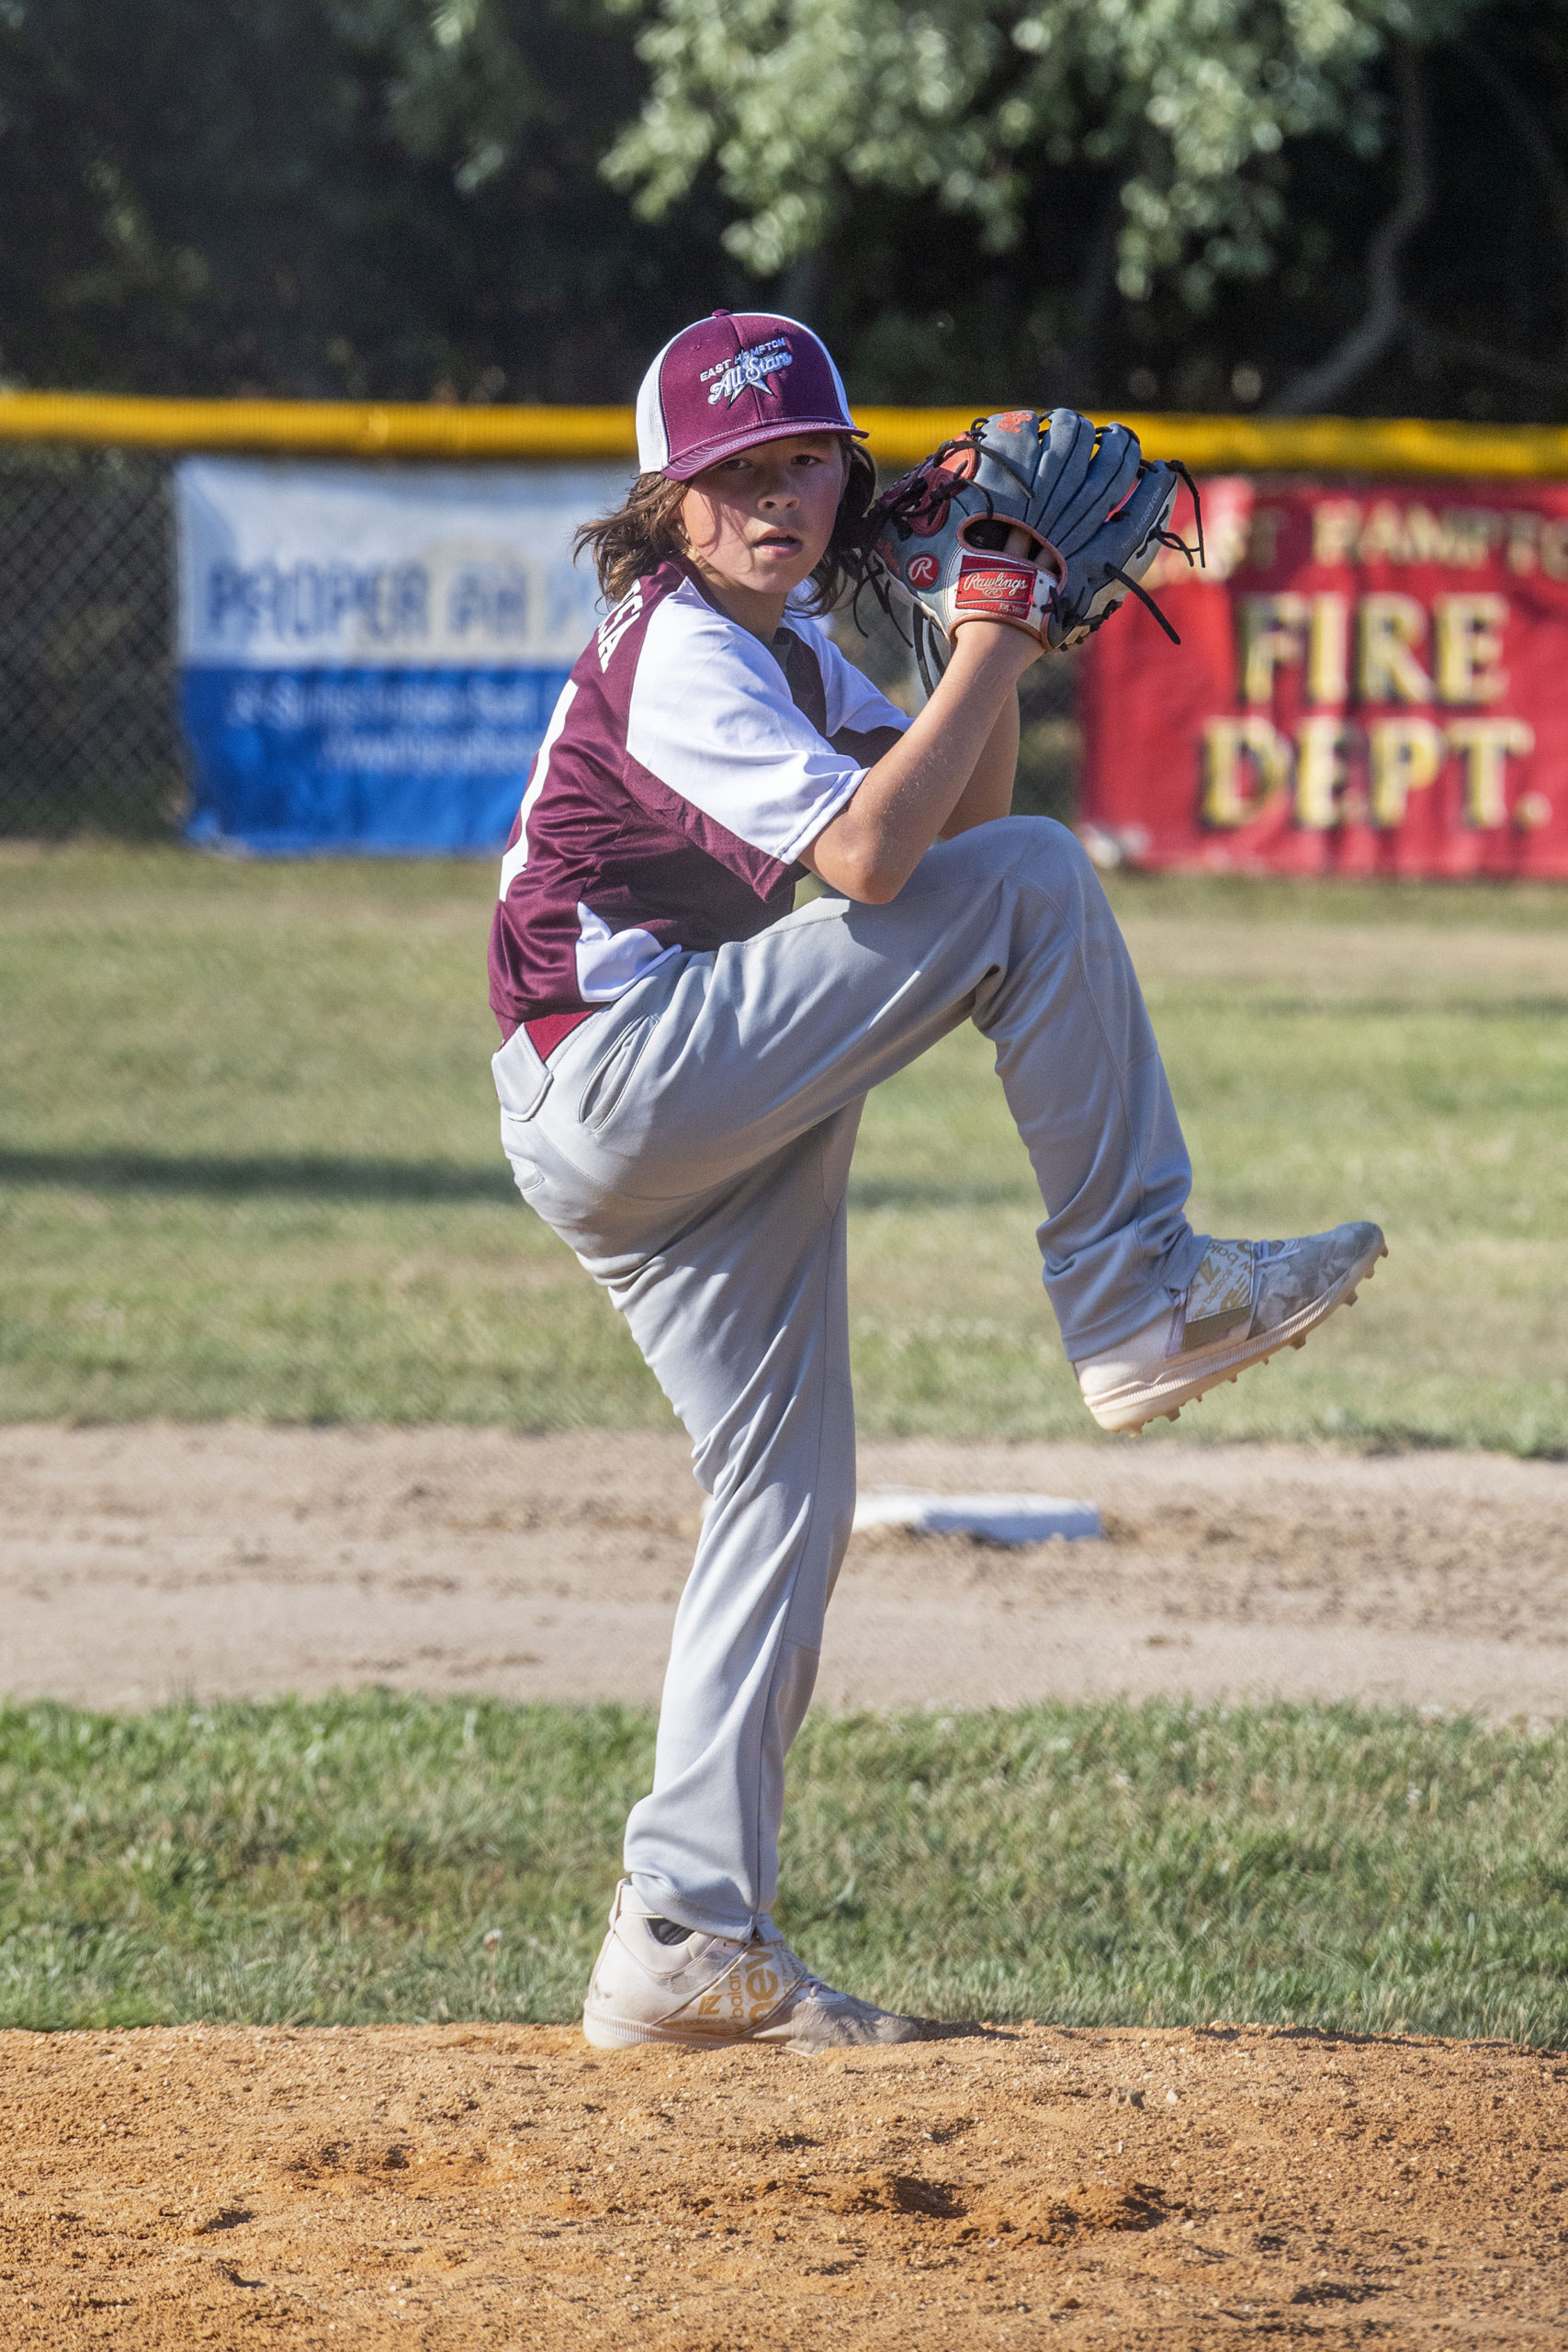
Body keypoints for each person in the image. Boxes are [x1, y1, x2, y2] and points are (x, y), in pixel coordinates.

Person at [488, 308, 1383, 2052]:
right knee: (1045, 883)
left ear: (843, 470)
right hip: (626, 1074)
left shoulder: (785, 649)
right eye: (734, 470)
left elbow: (945, 824)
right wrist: (983, 617)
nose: (777, 496)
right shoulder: (679, 647)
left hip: (659, 1110)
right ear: (667, 501)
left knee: (783, 1500)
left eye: (805, 458)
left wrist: (1013, 637)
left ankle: (684, 1938)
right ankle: (1136, 1291)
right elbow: (888, 861)